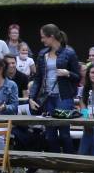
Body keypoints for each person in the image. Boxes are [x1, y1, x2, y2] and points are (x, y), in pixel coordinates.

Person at [29, 24, 81, 156]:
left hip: (63, 97)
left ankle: (69, 165)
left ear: (51, 37)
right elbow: (38, 78)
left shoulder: (69, 53)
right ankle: (56, 166)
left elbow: (78, 77)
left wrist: (67, 73)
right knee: (50, 135)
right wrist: (31, 97)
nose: (42, 40)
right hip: (47, 97)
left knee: (64, 133)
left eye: (43, 37)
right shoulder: (42, 54)